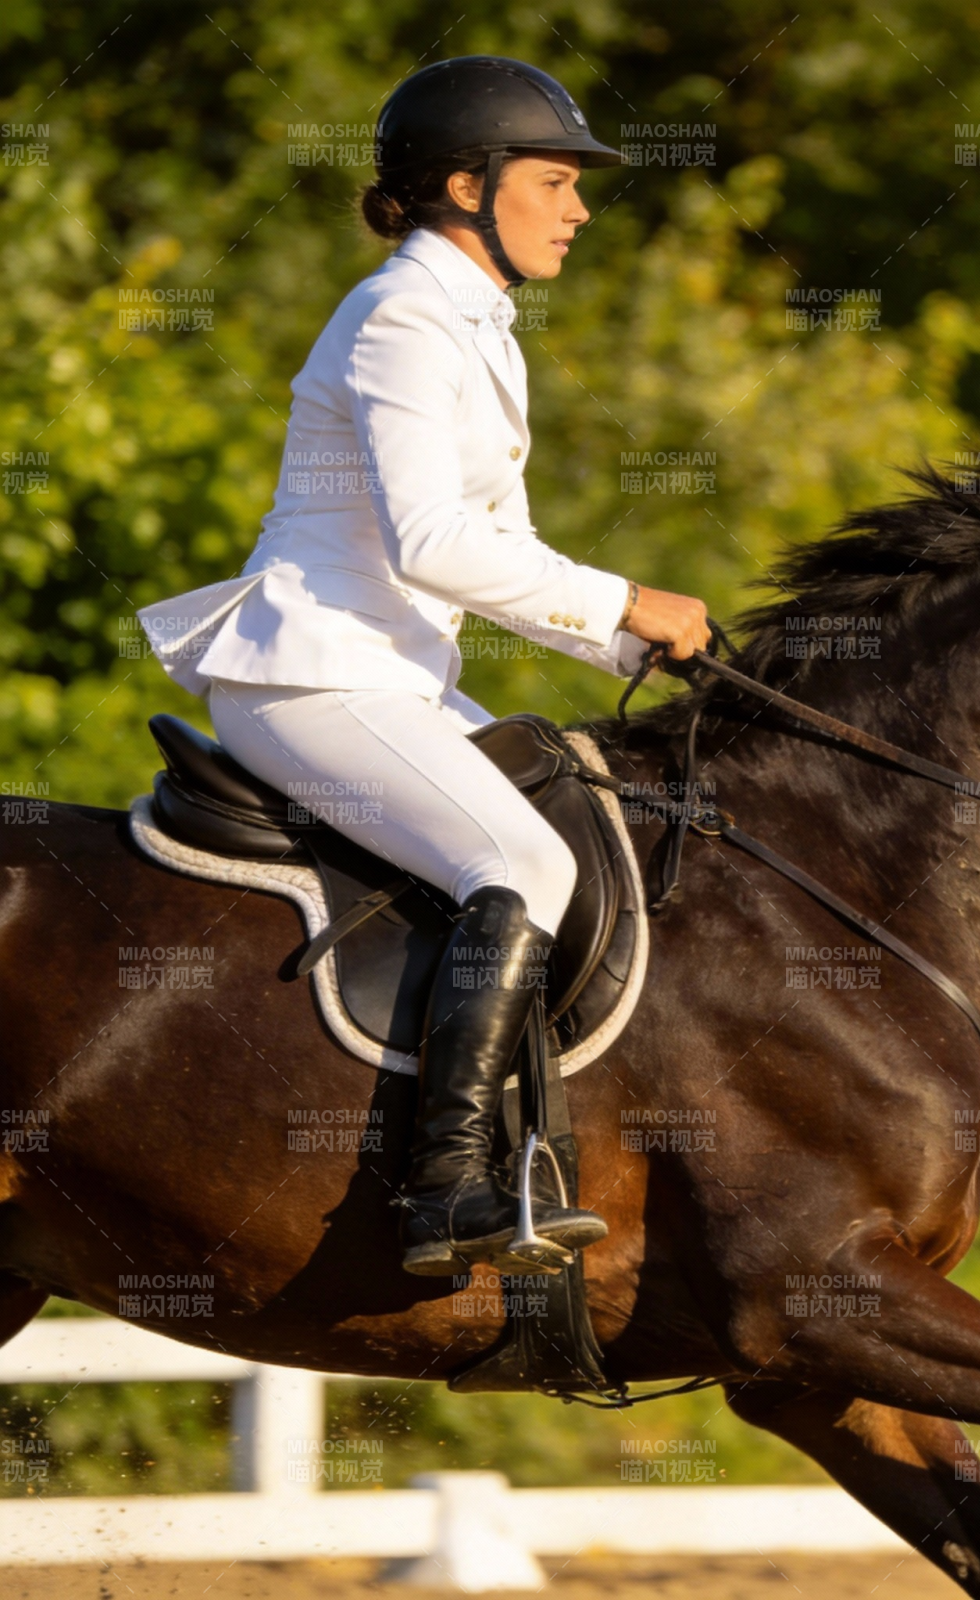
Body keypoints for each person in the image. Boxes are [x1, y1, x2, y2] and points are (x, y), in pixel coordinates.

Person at [137, 56, 709, 1276]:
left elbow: (499, 546)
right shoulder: (401, 315)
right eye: (555, 182)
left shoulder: (469, 322)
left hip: (386, 673)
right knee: (518, 857)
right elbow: (434, 543)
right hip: (309, 673)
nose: (579, 208)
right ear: (467, 184)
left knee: (578, 806)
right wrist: (630, 597)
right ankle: (446, 1185)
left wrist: (623, 641)